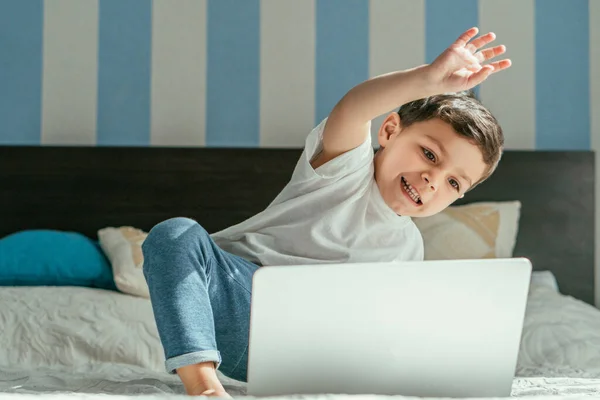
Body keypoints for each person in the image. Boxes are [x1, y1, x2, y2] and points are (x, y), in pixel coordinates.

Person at [141, 27, 511, 397]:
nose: (433, 180)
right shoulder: (344, 170)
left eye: (453, 184)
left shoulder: (409, 250)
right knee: (176, 234)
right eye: (429, 154)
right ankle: (204, 386)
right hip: (242, 308)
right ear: (389, 131)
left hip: (312, 354)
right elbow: (354, 107)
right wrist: (426, 80)